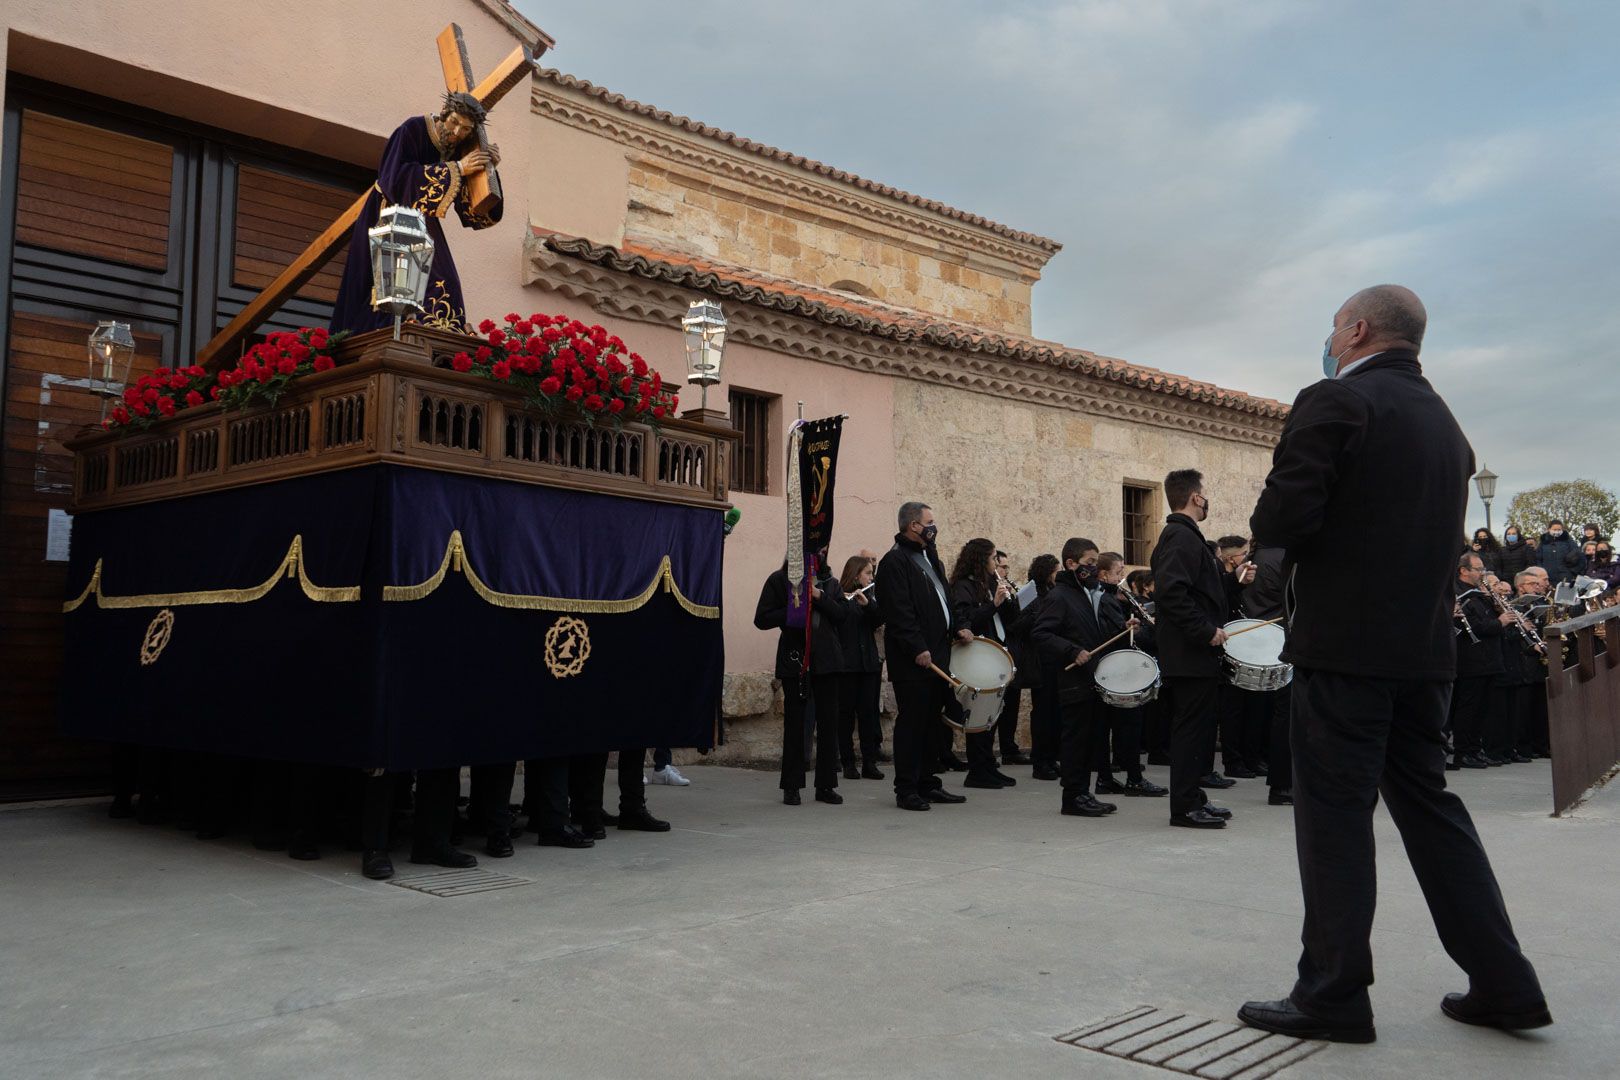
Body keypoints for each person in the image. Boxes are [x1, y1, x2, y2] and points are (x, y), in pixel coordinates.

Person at [1241, 283, 1548, 1043]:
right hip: (1425, 655)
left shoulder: (1335, 401)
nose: (1330, 339)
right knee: (1432, 811)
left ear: (1357, 329)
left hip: (1345, 650)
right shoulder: (1448, 429)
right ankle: (1505, 984)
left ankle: (1333, 994)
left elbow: (1281, 518)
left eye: (1334, 327)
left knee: (1335, 818)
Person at [331, 92, 502, 335]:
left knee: (446, 282)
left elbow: (473, 211)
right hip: (391, 211)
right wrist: (458, 168)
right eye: (454, 122)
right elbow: (394, 178)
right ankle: (399, 334)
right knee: (394, 289)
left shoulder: (458, 148)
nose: (456, 133)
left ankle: (439, 337)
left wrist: (488, 171)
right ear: (444, 112)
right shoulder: (413, 129)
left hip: (423, 220)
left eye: (465, 129)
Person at [1149, 469, 1235, 830]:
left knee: (1199, 730)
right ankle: (1184, 807)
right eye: (1204, 493)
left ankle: (1194, 797)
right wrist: (1206, 632)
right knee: (1189, 731)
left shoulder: (1185, 537)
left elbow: (1199, 592)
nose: (1206, 498)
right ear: (1195, 498)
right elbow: (1171, 592)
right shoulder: (1181, 537)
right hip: (1190, 652)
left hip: (1194, 653)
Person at [877, 502, 971, 811]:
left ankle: (929, 783)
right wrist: (917, 647)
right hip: (914, 660)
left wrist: (960, 627)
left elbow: (946, 599)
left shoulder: (931, 558)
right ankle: (906, 788)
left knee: (933, 724)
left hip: (938, 656)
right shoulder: (894, 561)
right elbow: (899, 611)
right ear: (913, 526)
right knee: (913, 723)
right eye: (929, 521)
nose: (934, 526)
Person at [1031, 538, 1130, 817]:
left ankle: (1083, 793)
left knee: (1088, 741)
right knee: (1075, 741)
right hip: (1072, 680)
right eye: (1089, 563)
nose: (1093, 569)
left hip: (1091, 678)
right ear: (1071, 564)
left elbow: (1091, 633)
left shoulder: (1085, 593)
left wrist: (1123, 628)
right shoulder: (1059, 596)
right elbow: (1041, 634)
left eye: (1096, 564)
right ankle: (1073, 797)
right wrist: (1072, 651)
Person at [754, 560, 848, 806]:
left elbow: (841, 615)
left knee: (828, 723)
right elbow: (761, 618)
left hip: (828, 661)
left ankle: (826, 785)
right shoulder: (779, 580)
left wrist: (819, 596)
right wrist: (793, 607)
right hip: (794, 659)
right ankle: (792, 785)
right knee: (795, 723)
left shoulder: (830, 583)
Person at [1093, 552, 1167, 798]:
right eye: (1118, 572)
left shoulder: (1109, 596)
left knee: (1107, 725)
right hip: (1116, 668)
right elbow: (1120, 634)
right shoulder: (1105, 598)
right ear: (1104, 574)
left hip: (1110, 667)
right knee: (1129, 723)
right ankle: (1133, 778)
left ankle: (1106, 778)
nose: (1122, 577)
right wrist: (1144, 626)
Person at [949, 538, 1021, 790]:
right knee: (978, 715)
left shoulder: (990, 583)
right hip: (978, 657)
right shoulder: (963, 586)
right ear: (981, 559)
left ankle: (989, 765)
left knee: (993, 714)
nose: (996, 563)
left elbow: (1010, 619)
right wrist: (994, 605)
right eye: (992, 558)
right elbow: (965, 619)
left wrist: (1010, 600)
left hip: (998, 653)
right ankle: (977, 771)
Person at [1241, 542, 1293, 806]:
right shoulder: (1284, 555)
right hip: (1282, 638)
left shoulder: (1257, 555)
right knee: (1289, 714)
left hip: (1259, 639)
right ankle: (1284, 785)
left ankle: (1280, 782)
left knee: (1268, 712)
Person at [1452, 556, 1512, 769]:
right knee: (1469, 707)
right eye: (1478, 570)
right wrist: (1499, 622)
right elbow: (1475, 626)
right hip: (1471, 659)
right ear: (1463, 571)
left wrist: (1497, 604)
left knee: (1482, 709)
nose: (1482, 574)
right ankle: (1463, 751)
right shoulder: (1459, 593)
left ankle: (1475, 749)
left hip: (1489, 658)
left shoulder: (1480, 594)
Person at [834, 554, 886, 780]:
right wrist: (848, 601)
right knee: (845, 716)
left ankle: (869, 762)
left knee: (868, 715)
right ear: (856, 575)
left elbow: (879, 620)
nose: (870, 577)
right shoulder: (838, 595)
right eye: (867, 573)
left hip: (869, 665)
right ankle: (847, 762)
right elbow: (838, 621)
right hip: (847, 665)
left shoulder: (870, 598)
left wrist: (868, 606)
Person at [1011, 554, 1062, 780]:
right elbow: (1015, 626)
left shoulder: (1052, 592)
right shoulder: (1030, 593)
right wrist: (1037, 616)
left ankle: (1051, 758)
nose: (1057, 574)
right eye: (1055, 570)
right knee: (1042, 712)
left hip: (1053, 658)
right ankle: (1040, 762)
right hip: (1038, 659)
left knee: (1053, 712)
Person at [993, 549, 1033, 765]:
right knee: (996, 704)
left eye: (1007, 567)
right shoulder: (992, 590)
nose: (1006, 570)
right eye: (1003, 566)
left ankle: (1009, 748)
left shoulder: (1005, 588)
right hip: (996, 651)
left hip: (1013, 652)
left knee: (1012, 702)